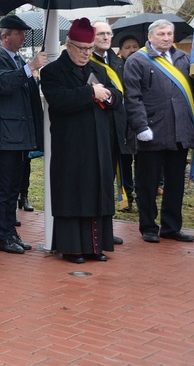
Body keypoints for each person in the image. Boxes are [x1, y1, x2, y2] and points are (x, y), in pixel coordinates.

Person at [41, 18, 122, 263]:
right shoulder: (52, 71)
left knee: (97, 193)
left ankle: (95, 247)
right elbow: (59, 99)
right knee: (74, 194)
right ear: (68, 45)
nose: (86, 53)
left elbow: (117, 96)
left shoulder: (99, 69)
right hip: (71, 145)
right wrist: (90, 92)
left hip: (99, 144)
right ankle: (73, 248)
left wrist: (107, 97)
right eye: (81, 48)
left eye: (89, 48)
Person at [123, 19, 194, 243]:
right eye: (161, 33)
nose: (166, 37)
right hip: (151, 132)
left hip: (179, 132)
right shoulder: (137, 61)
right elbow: (132, 98)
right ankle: (148, 226)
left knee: (175, 184)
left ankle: (172, 227)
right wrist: (140, 126)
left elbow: (193, 92)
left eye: (169, 33)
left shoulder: (183, 58)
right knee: (148, 184)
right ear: (150, 37)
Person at [0, 14, 47, 254]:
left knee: (12, 190)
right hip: (5, 137)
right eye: (18, 34)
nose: (22, 38)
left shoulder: (18, 59)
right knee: (3, 189)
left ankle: (11, 232)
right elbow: (2, 85)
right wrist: (29, 68)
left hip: (20, 136)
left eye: (23, 34)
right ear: (4, 36)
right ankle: (4, 235)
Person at [91, 21, 132, 242]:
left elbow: (121, 94)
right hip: (99, 128)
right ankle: (99, 227)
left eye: (109, 33)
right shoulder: (88, 61)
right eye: (101, 34)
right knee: (101, 178)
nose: (106, 37)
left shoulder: (118, 62)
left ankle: (108, 227)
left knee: (114, 177)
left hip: (119, 128)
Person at [115, 33, 141, 211]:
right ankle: (127, 197)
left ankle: (143, 196)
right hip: (123, 122)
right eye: (127, 47)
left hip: (141, 121)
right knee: (124, 162)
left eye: (135, 47)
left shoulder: (145, 66)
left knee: (142, 162)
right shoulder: (116, 69)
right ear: (121, 51)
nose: (132, 50)